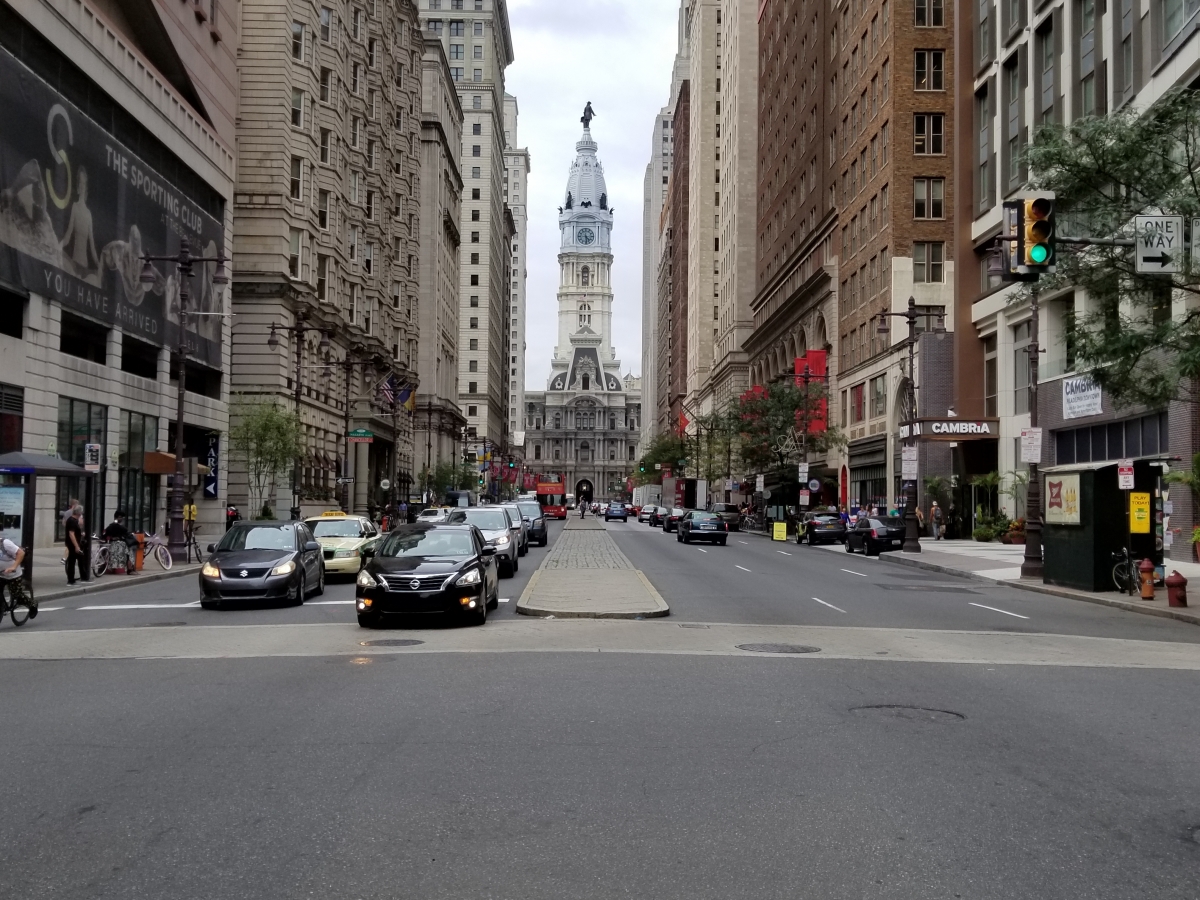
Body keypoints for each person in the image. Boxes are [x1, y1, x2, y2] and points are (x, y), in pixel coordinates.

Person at [103, 511, 138, 575]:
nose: (121, 519)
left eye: (122, 517)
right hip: (120, 546)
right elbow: (126, 533)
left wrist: (111, 538)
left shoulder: (110, 526)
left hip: (111, 545)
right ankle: (130, 569)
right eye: (120, 517)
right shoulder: (121, 527)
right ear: (116, 518)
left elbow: (105, 535)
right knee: (129, 551)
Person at [64, 505, 86, 585]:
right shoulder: (72, 521)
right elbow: (71, 534)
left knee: (79, 560)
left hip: (75, 543)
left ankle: (82, 576)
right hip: (73, 544)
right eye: (81, 512)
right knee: (73, 561)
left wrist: (81, 534)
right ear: (79, 513)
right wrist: (76, 546)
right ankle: (71, 580)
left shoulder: (73, 520)